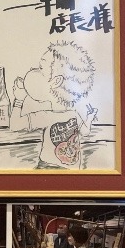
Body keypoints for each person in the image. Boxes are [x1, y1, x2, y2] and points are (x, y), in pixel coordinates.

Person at [9, 40, 98, 169]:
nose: (33, 70)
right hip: (74, 174)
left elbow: (15, 125)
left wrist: (19, 99)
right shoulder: (74, 115)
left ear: (56, 81)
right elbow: (85, 132)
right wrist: (89, 118)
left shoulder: (46, 116)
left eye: (40, 68)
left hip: (47, 169)